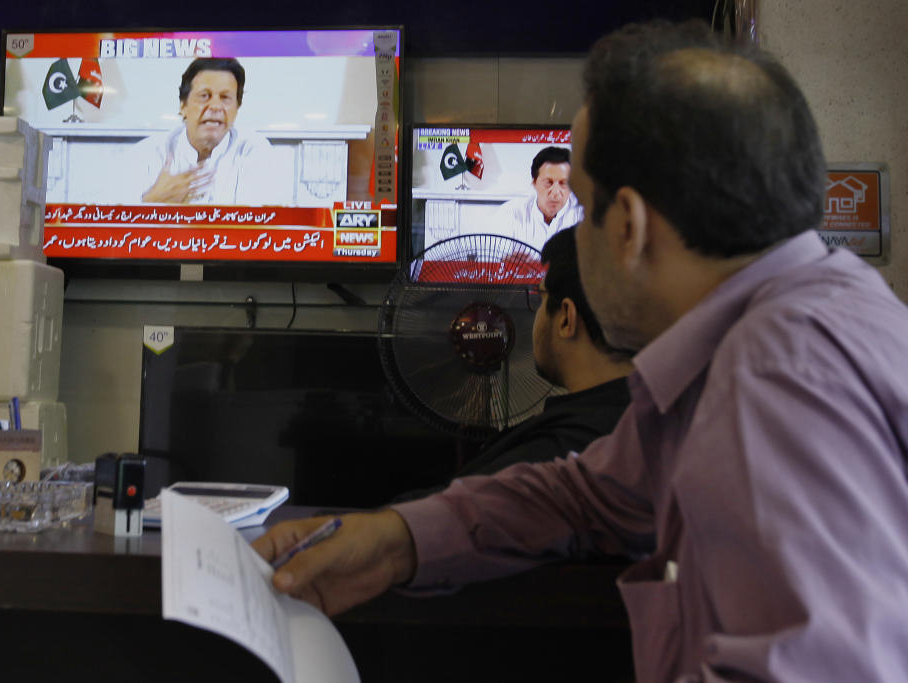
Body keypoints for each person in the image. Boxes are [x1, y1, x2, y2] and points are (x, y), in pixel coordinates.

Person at [253, 19, 908, 683]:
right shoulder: (807, 319)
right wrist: (396, 539)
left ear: (629, 226)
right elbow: (585, 496)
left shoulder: (774, 381)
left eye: (585, 210)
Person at [397, 226, 633, 501]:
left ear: (566, 318)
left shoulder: (543, 462)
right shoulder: (657, 426)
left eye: (540, 298)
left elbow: (439, 522)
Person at [125, 58, 290, 205]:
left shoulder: (256, 152)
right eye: (204, 96)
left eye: (225, 98)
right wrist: (152, 201)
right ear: (183, 106)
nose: (216, 107)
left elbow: (265, 225)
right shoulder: (146, 154)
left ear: (237, 108)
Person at [487, 146, 583, 249]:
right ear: (534, 183)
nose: (555, 192)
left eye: (563, 183)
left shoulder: (584, 216)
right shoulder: (510, 214)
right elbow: (493, 261)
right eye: (548, 183)